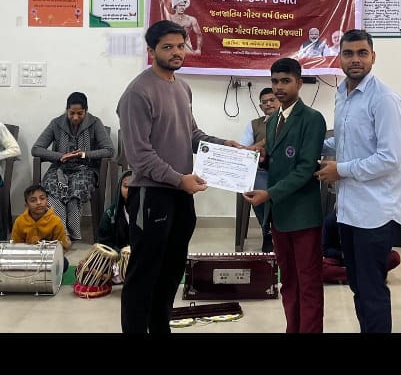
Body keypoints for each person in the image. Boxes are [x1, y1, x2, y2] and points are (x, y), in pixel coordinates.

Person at [116, 19, 238, 334]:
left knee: (171, 270)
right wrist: (178, 179)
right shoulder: (137, 93)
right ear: (151, 51)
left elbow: (192, 134)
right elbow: (138, 155)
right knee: (144, 272)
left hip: (181, 194)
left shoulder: (182, 87)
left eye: (180, 46)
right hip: (151, 195)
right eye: (167, 47)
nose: (176, 52)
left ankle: (160, 328)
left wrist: (224, 146)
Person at [314, 29, 401, 333]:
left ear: (373, 57)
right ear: (339, 58)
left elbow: (389, 158)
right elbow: (344, 143)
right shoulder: (342, 94)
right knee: (357, 285)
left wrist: (340, 170)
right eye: (348, 53)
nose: (355, 59)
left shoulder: (384, 99)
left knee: (371, 290)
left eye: (362, 53)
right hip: (348, 209)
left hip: (375, 212)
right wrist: (310, 147)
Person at [243, 57, 327, 333]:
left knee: (308, 282)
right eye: (275, 81)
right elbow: (277, 163)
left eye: (285, 81)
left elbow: (305, 169)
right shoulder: (272, 121)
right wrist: (260, 159)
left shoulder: (312, 119)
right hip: (278, 215)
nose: (279, 87)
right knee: (288, 282)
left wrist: (268, 194)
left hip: (302, 215)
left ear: (299, 83)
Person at [31, 91, 115, 242]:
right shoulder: (56, 123)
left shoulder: (95, 123)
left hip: (85, 168)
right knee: (52, 189)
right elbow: (36, 149)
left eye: (80, 113)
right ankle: (62, 233)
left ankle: (73, 233)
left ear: (86, 111)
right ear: (67, 110)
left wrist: (84, 154)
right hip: (59, 168)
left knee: (75, 191)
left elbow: (109, 150)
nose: (75, 117)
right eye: (72, 113)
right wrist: (60, 156)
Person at [238, 86, 279, 253]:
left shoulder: (293, 122)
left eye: (272, 100)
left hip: (286, 172)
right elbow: (244, 152)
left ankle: (281, 232)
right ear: (261, 106)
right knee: (258, 189)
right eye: (264, 102)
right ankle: (267, 232)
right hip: (262, 171)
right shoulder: (254, 125)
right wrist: (261, 144)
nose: (268, 104)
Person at [11, 183, 71, 272]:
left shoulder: (56, 221)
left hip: (48, 258)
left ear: (47, 201)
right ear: (26, 205)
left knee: (64, 263)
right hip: (27, 258)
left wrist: (48, 256)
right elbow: (16, 245)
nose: (39, 203)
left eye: (42, 198)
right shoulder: (20, 221)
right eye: (33, 200)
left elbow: (61, 246)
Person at [95, 169, 132, 251]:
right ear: (120, 188)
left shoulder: (147, 212)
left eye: (134, 187)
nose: (130, 190)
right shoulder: (110, 214)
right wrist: (120, 252)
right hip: (117, 255)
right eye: (126, 186)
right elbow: (104, 242)